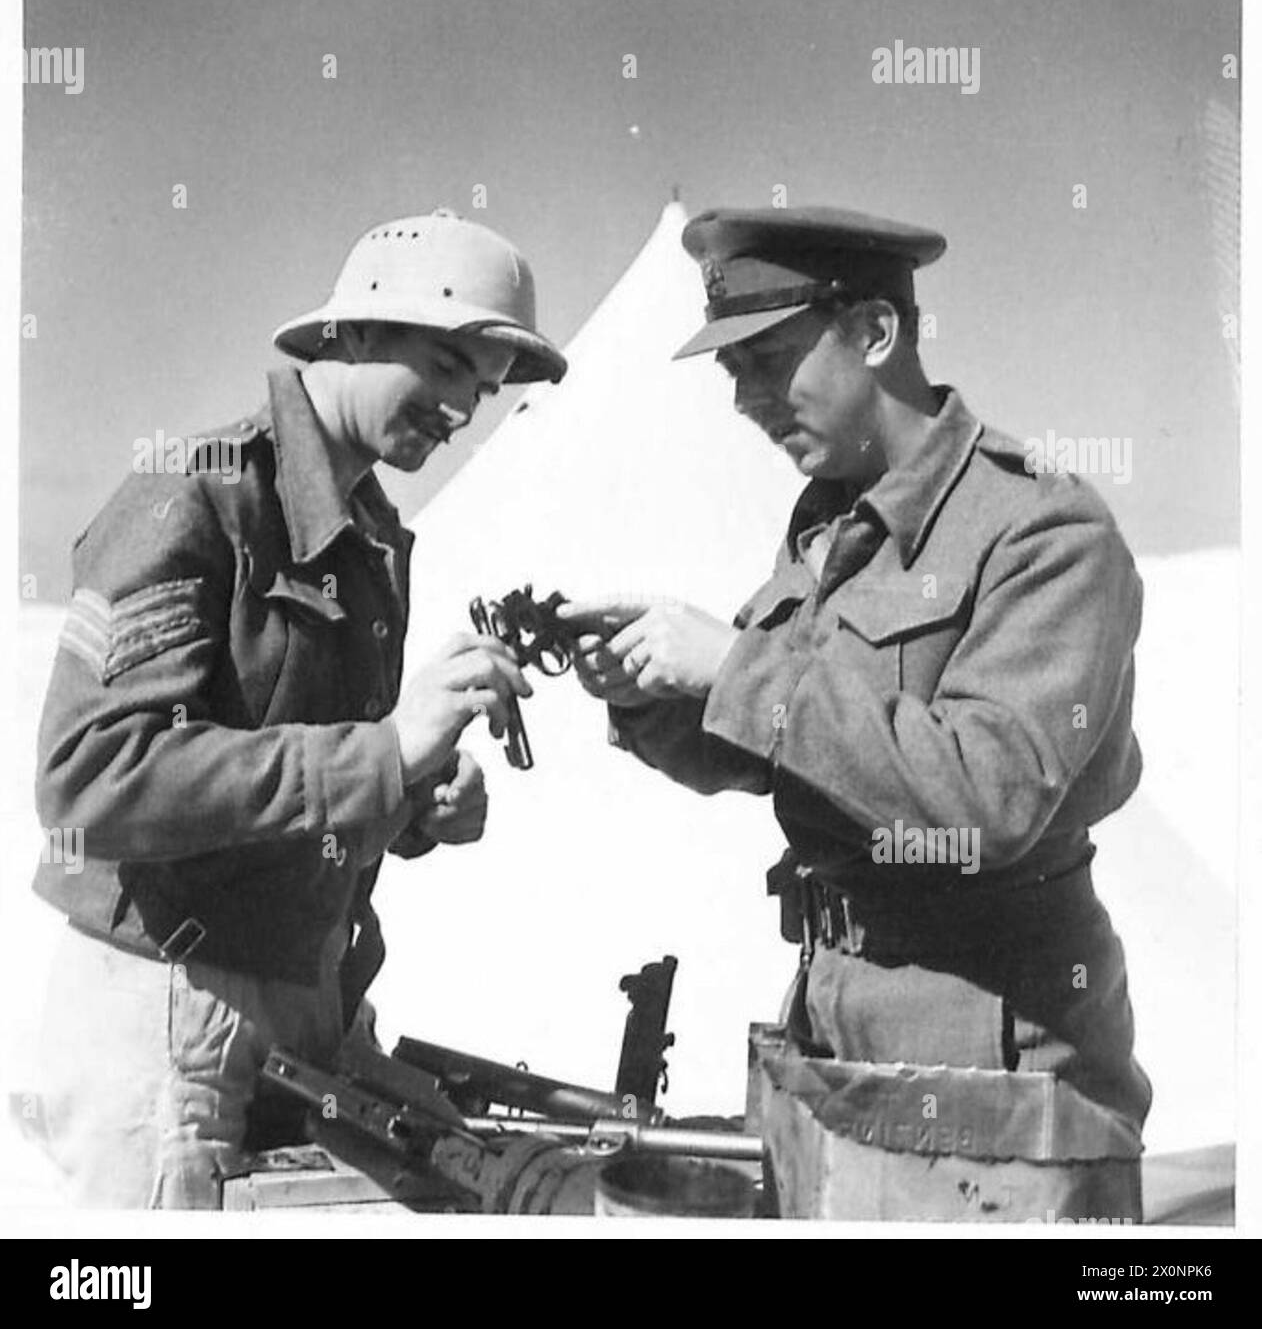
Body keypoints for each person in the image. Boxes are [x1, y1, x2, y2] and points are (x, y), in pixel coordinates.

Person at [561, 206, 1152, 1151]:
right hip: (830, 1008)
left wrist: (735, 665)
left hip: (990, 1033)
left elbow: (986, 799)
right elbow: (773, 754)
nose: (745, 398)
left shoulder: (1044, 528)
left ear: (875, 332)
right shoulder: (828, 528)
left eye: (765, 359)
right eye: (730, 372)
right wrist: (649, 695)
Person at [30, 208, 566, 1208]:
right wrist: (379, 753)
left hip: (305, 1008)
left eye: (483, 392)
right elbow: (87, 782)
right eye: (447, 365)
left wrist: (415, 804)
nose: (463, 409)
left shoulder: (374, 540)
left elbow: (301, 790)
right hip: (167, 1014)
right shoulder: (198, 495)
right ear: (356, 332)